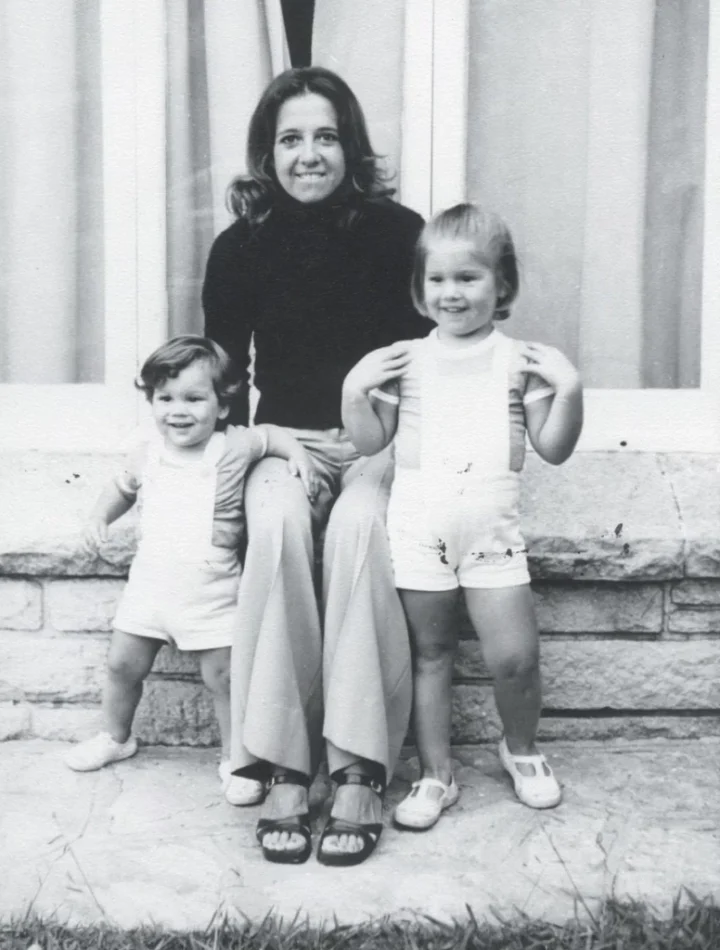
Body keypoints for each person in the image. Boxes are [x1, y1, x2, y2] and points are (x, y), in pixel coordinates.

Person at [202, 67, 431, 866]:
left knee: (362, 528)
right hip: (283, 442)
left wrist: (382, 433)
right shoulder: (240, 247)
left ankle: (361, 766)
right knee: (276, 529)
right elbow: (224, 380)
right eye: (290, 139)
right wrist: (264, 446)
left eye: (325, 136)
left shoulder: (400, 233)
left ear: (350, 145)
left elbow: (424, 365)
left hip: (377, 438)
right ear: (268, 154)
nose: (308, 155)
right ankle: (284, 764)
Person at [342, 203, 583, 830]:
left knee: (515, 659)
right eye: (438, 280)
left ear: (502, 285)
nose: (453, 293)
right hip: (421, 531)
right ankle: (435, 773)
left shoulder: (519, 361)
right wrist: (353, 390)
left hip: (492, 535)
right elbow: (370, 443)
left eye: (469, 277)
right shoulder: (405, 360)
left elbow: (554, 448)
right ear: (421, 290)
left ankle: (521, 750)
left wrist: (570, 390)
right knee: (431, 654)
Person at [65, 336, 315, 809]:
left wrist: (297, 455)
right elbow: (121, 489)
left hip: (212, 591)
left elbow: (275, 435)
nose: (177, 411)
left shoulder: (234, 446)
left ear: (222, 406)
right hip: (151, 588)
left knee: (224, 677)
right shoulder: (146, 452)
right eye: (166, 398)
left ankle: (235, 758)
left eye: (194, 398)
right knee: (122, 665)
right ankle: (115, 736)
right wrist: (99, 517)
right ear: (152, 402)